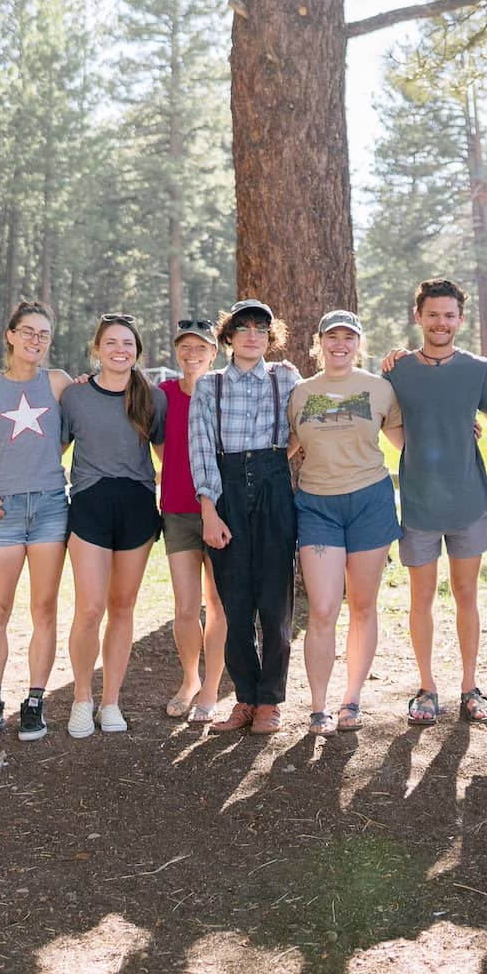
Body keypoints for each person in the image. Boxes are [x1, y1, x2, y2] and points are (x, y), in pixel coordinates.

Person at [379, 279, 487, 726]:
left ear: (461, 320)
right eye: (433, 314)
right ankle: (427, 688)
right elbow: (384, 419)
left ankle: (471, 687)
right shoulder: (397, 370)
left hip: (468, 501)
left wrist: (477, 427)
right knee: (422, 599)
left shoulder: (479, 369)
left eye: (449, 315)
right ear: (419, 317)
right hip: (418, 505)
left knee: (467, 596)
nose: (441, 322)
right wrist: (409, 443)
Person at [289, 310, 405, 735]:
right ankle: (318, 706)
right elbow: (285, 445)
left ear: (359, 343)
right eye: (332, 337)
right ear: (319, 342)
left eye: (348, 337)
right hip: (317, 504)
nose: (340, 344)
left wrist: (452, 432)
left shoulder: (379, 389)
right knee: (322, 608)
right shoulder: (300, 393)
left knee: (361, 604)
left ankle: (351, 700)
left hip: (369, 502)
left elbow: (403, 441)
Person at [190, 299, 302, 735]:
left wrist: (276, 463)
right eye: (243, 327)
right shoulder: (210, 386)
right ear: (229, 336)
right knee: (234, 604)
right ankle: (244, 698)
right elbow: (200, 449)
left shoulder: (287, 378)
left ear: (270, 337)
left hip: (275, 488)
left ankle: (271, 701)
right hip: (226, 489)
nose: (252, 335)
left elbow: (302, 426)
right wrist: (209, 510)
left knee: (275, 604)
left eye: (261, 328)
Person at [0, 301, 73, 743]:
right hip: (3, 512)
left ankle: (34, 702)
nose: (35, 341)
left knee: (43, 609)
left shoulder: (60, 384)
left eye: (43, 334)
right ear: (10, 335)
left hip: (50, 507)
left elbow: (71, 432)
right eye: (28, 332)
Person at [60, 313, 165, 737]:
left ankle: (111, 702)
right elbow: (54, 447)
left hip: (138, 504)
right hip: (90, 504)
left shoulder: (152, 398)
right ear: (97, 349)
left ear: (137, 351)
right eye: (112, 343)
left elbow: (165, 455)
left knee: (123, 608)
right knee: (90, 607)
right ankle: (82, 699)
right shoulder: (75, 396)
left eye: (128, 344)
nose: (120, 350)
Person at [159, 318, 228, 724]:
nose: (192, 354)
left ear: (214, 353)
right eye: (185, 347)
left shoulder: (222, 391)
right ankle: (189, 680)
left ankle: (212, 688)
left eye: (200, 347)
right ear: (176, 351)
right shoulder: (164, 394)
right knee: (186, 606)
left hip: (219, 512)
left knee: (217, 603)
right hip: (178, 511)